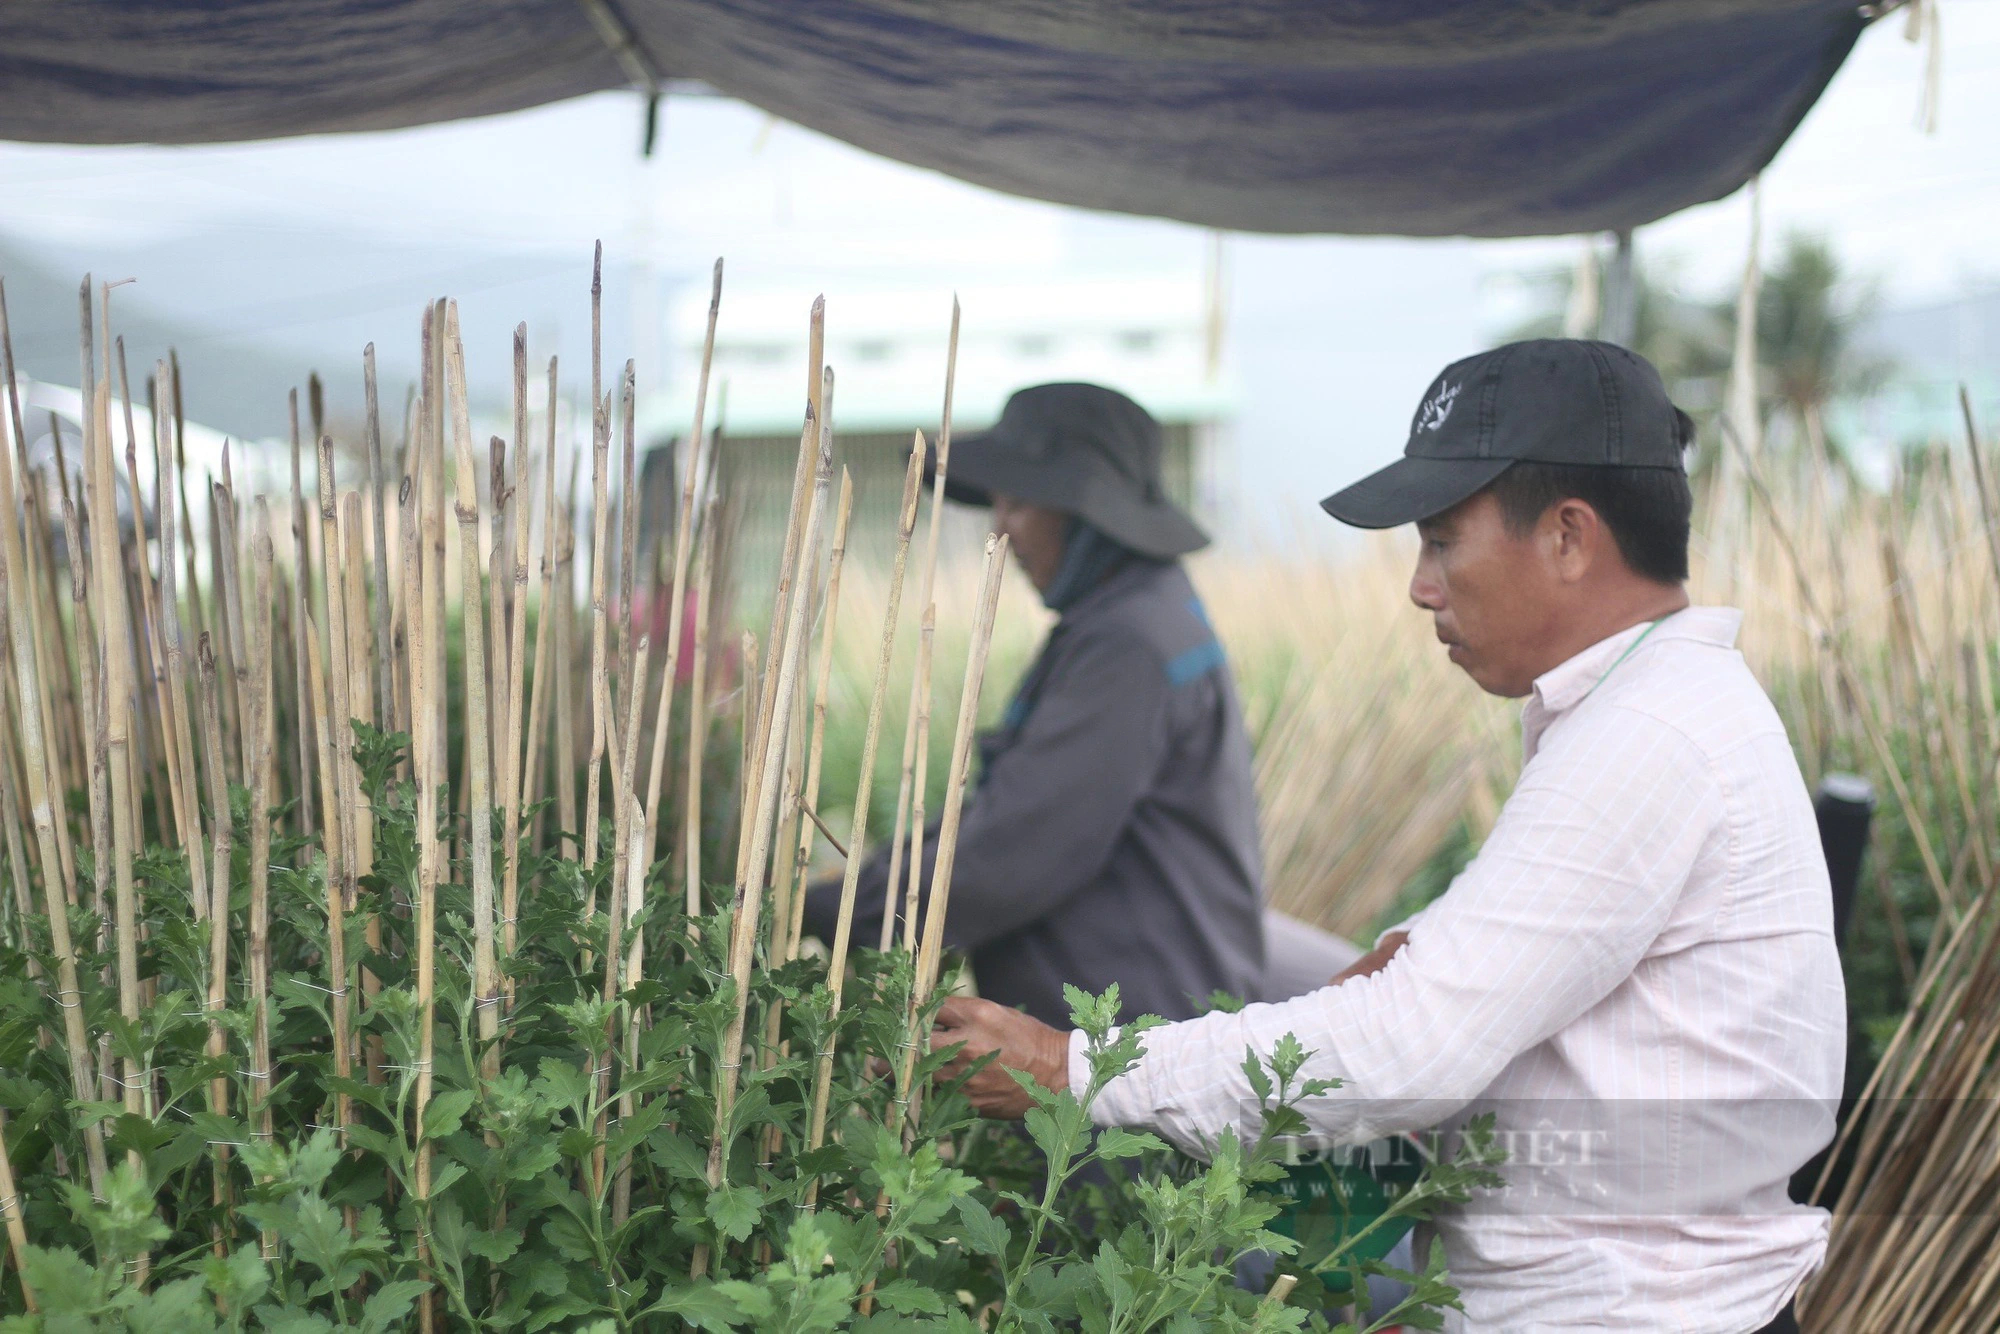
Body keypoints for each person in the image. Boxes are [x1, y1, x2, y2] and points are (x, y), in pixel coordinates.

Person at [930, 342, 1845, 1334]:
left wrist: (1072, 1066)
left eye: (1442, 541)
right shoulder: (1654, 708)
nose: (1419, 585)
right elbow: (1448, 985)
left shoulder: (1647, 735)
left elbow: (1409, 1044)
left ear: (1568, 538)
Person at [799, 382, 1264, 1027]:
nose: (1000, 531)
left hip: (1133, 1056)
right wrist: (876, 877)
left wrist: (840, 908)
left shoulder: (1127, 645)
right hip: (1138, 1029)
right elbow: (1013, 809)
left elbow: (1014, 851)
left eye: (1017, 503)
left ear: (1085, 512)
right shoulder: (1132, 616)